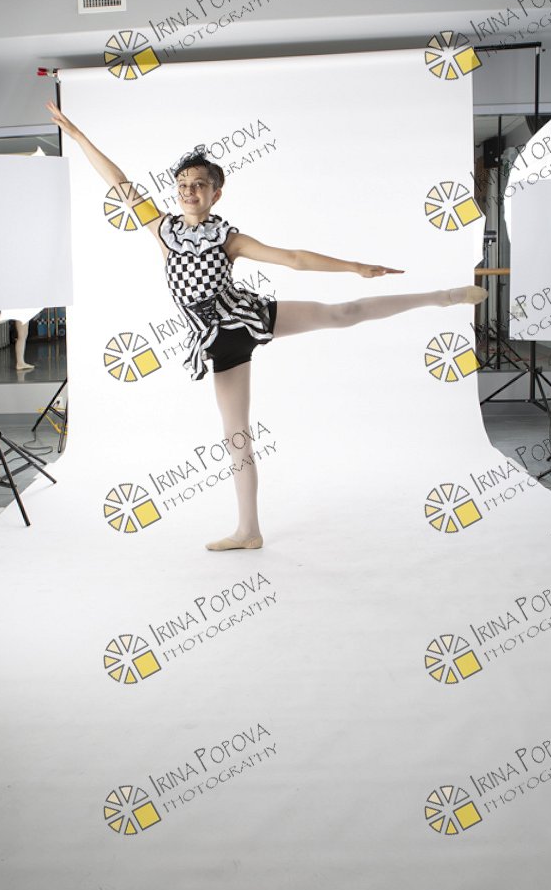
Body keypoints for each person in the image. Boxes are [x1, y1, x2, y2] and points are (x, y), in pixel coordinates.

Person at [46, 101, 486, 552]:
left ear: (216, 194)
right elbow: (118, 182)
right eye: (182, 185)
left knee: (342, 313)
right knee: (236, 435)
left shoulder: (229, 239)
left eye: (199, 185)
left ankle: (443, 296)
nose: (189, 192)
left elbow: (293, 258)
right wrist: (77, 136)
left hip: (246, 317)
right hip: (217, 341)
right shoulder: (162, 230)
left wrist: (355, 266)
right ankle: (249, 531)